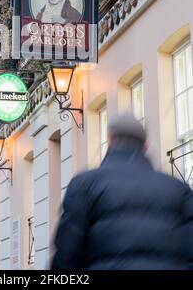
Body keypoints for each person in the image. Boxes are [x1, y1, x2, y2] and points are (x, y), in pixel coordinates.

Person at [51, 113, 193, 270]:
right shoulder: (179, 188)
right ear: (145, 146)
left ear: (110, 140)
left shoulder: (84, 184)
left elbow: (66, 253)